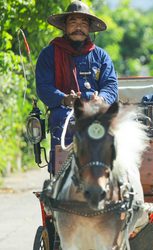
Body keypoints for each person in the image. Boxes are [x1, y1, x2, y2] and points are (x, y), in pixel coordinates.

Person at [35, 1, 118, 174]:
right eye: (73, 22)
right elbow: (43, 86)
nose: (78, 27)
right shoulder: (49, 54)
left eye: (83, 23)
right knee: (63, 119)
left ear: (89, 29)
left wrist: (101, 99)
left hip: (96, 110)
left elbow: (110, 85)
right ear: (65, 27)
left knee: (111, 128)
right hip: (64, 111)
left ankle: (107, 177)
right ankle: (60, 175)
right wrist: (64, 98)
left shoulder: (101, 55)